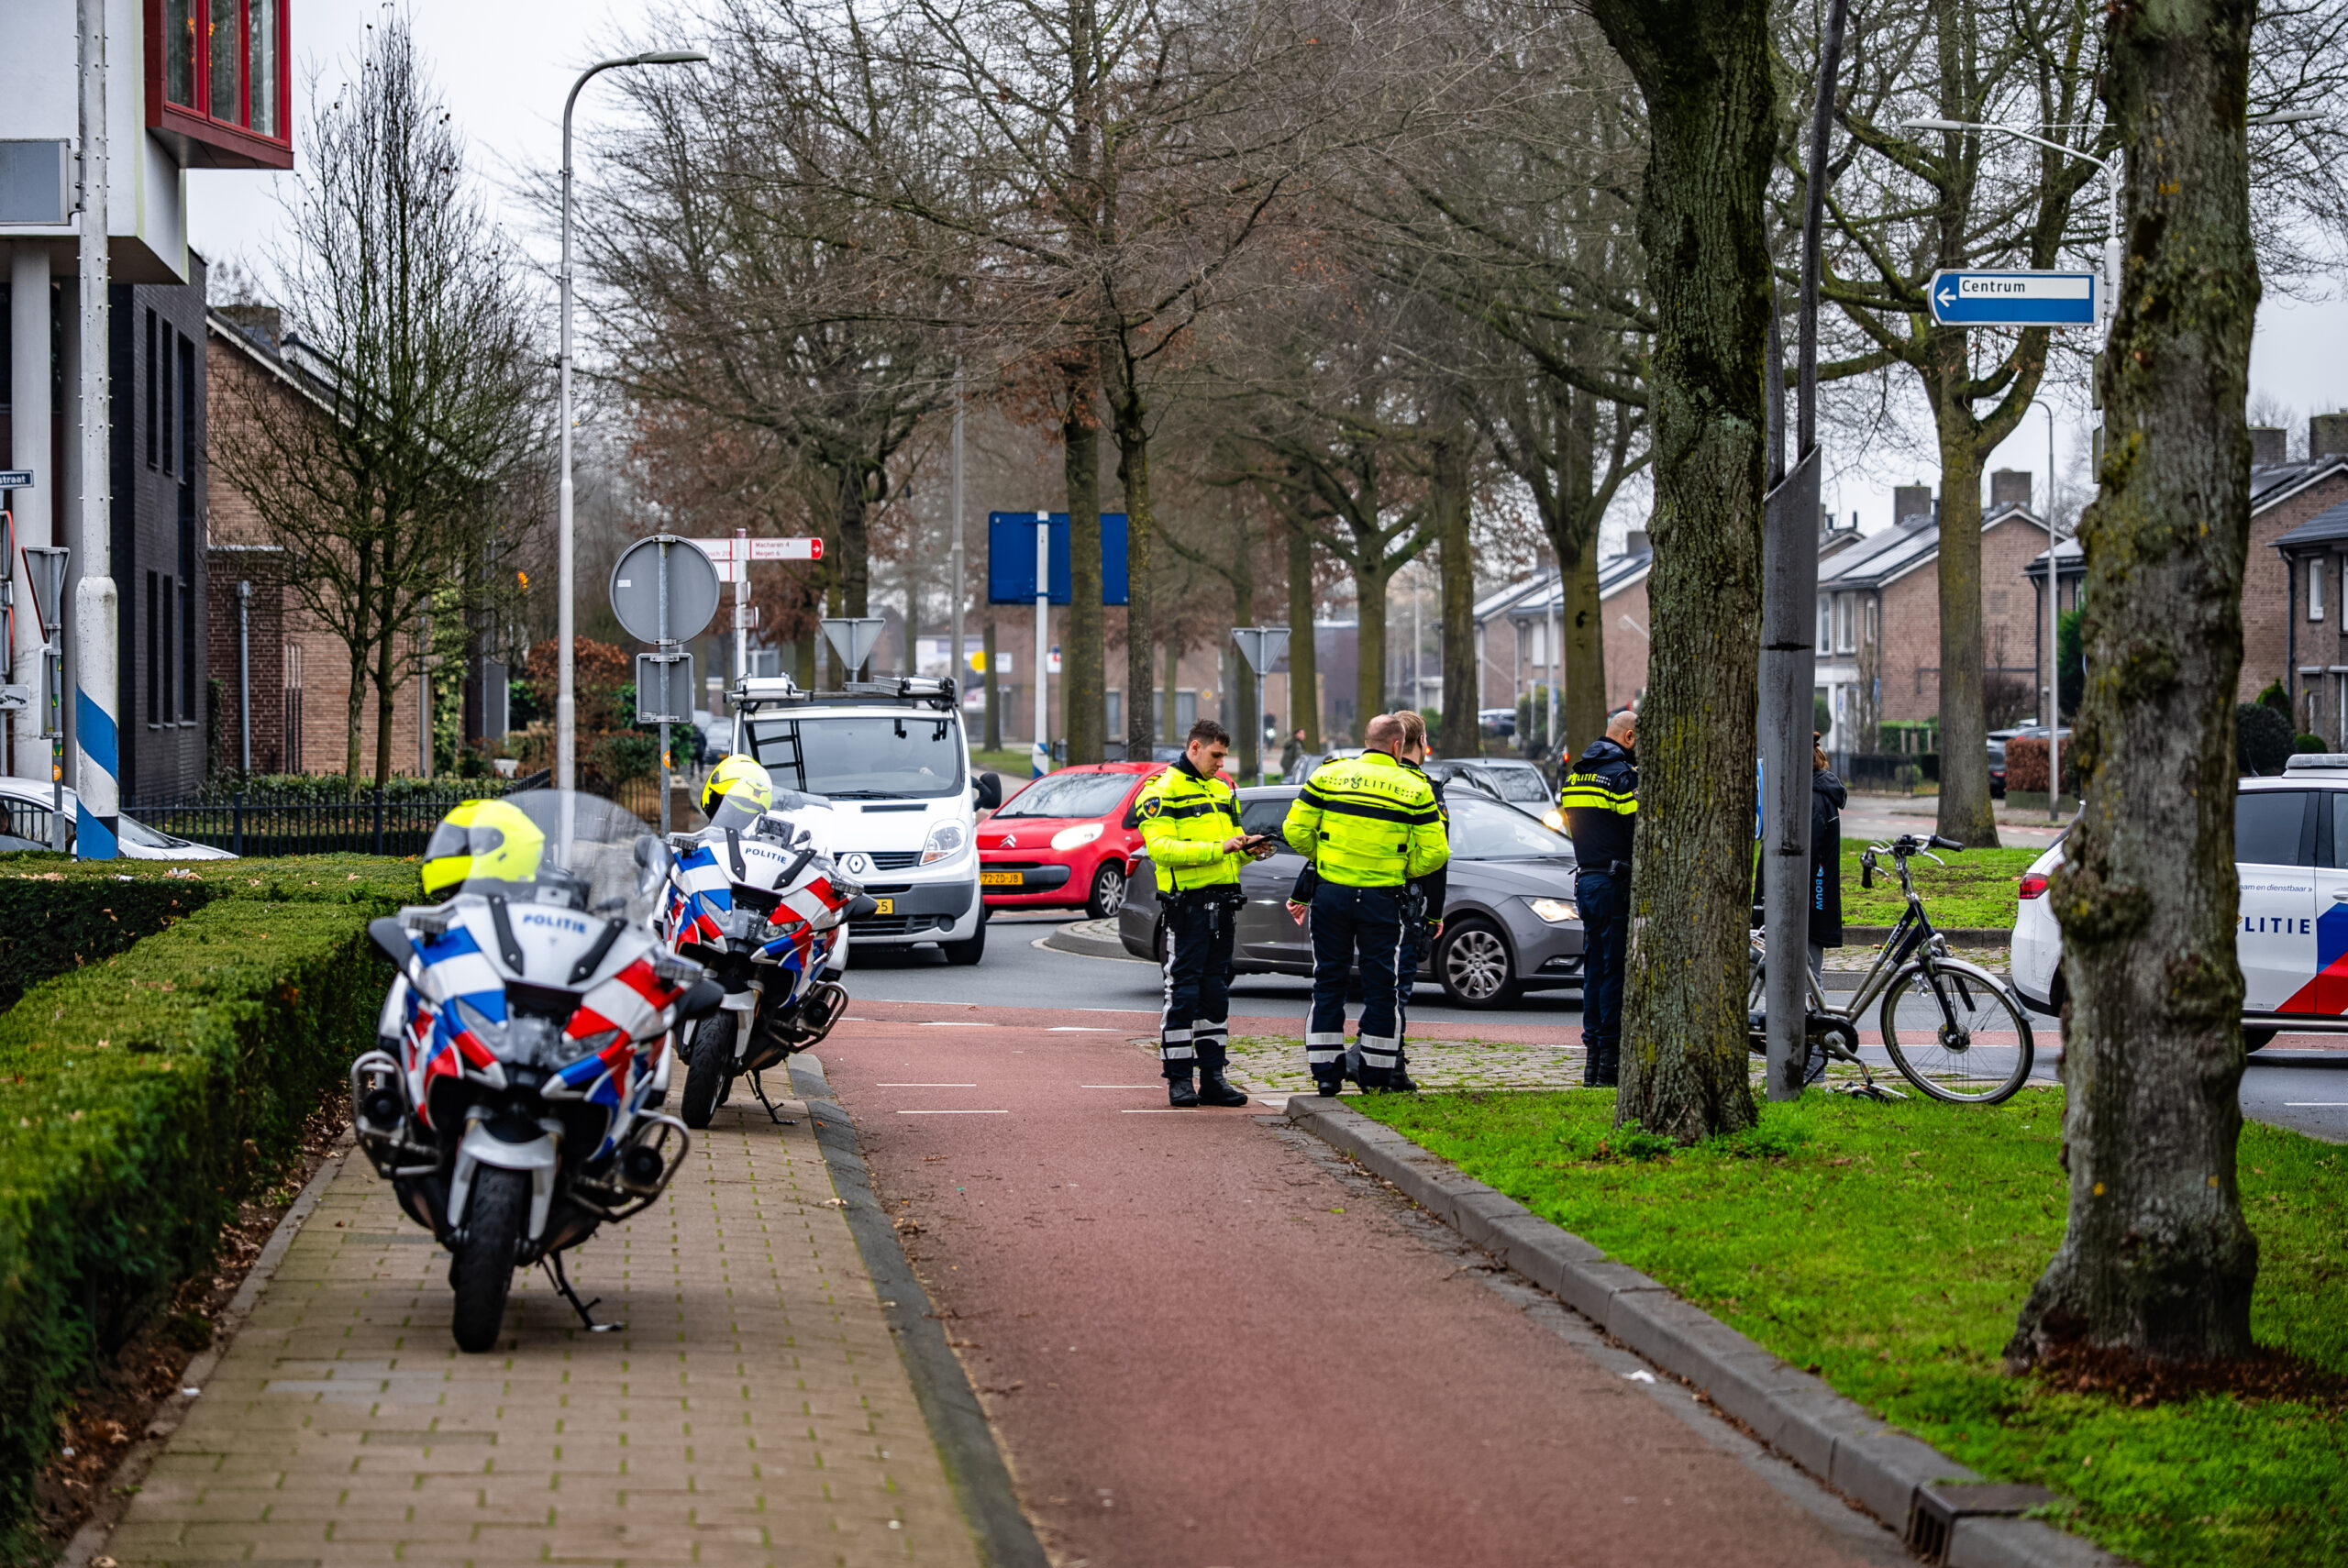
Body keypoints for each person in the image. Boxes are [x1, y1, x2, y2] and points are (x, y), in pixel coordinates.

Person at [1283, 713, 1450, 1095]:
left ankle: (1326, 1074)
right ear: (1397, 745)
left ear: (1366, 741)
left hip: (1332, 894)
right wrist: (1402, 868)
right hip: (1382, 898)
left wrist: (1326, 858)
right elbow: (1437, 853)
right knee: (1382, 987)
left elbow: (1294, 830)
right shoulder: (1414, 788)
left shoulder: (1328, 775)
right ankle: (1375, 1074)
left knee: (1328, 981)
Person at [1135, 719, 1273, 1108]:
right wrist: (1220, 848)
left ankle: (1213, 1077)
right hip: (1188, 908)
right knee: (1182, 993)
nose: (1221, 763)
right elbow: (1161, 849)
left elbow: (1231, 853)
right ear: (1195, 747)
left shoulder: (1222, 789)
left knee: (1216, 992)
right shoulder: (1161, 790)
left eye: (1224, 756)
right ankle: (1179, 1079)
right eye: (1216, 755)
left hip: (1223, 905)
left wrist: (1249, 850)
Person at [1560, 708, 1637, 1088]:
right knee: (1613, 972)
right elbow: (1637, 832)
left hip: (1587, 882)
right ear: (1629, 738)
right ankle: (1609, 1065)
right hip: (1615, 884)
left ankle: (1592, 1061)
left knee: (1592, 971)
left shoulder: (1576, 775)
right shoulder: (1622, 777)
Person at [1386, 711, 1452, 1093]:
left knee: (1378, 984)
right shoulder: (1424, 788)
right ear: (1421, 742)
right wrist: (1435, 914)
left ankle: (1372, 1058)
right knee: (1399, 986)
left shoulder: (1376, 782)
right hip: (1408, 901)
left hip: (1370, 896)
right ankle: (1390, 1064)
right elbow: (1437, 857)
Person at [1810, 738, 1845, 977]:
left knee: (1810, 975)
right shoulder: (1822, 792)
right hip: (1820, 891)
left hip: (1813, 893)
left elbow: (1810, 852)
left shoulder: (1813, 797)